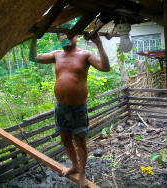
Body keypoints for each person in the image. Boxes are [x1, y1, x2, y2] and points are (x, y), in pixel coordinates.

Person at [30, 31, 110, 188]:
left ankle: (82, 174)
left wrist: (99, 44)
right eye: (62, 34)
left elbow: (105, 68)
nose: (65, 37)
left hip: (78, 109)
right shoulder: (56, 55)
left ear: (77, 36)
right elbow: (34, 57)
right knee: (65, 139)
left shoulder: (85, 54)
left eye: (70, 34)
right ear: (58, 37)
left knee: (80, 141)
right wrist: (34, 37)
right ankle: (74, 166)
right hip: (60, 108)